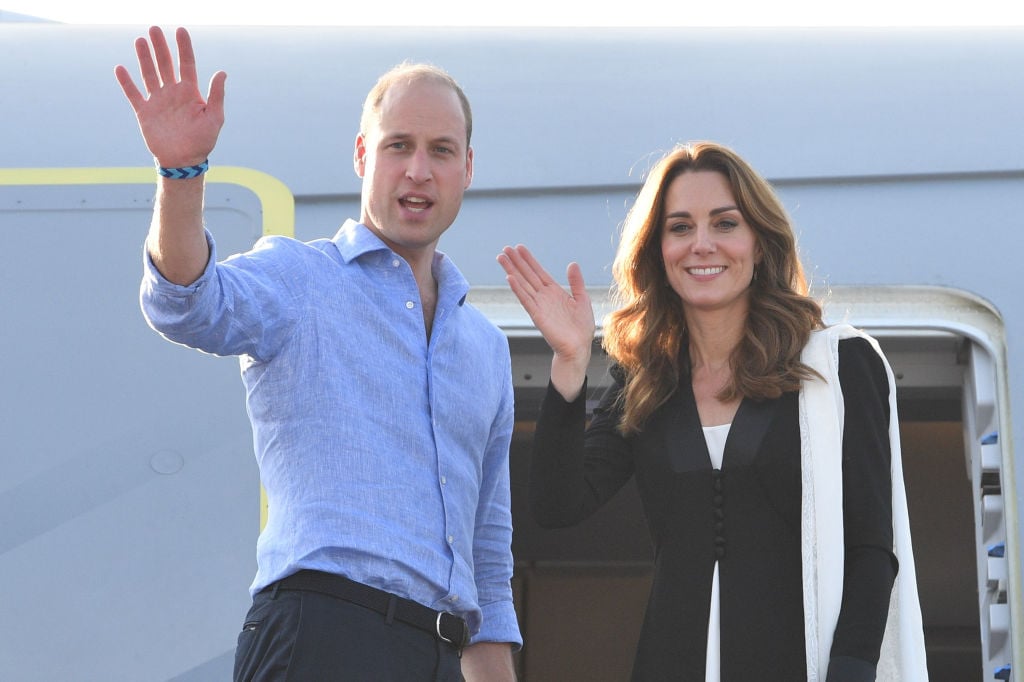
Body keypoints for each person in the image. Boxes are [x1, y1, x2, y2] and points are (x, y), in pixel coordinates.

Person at [115, 26, 520, 681]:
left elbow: (488, 558)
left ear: (467, 168)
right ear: (363, 156)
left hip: (443, 655)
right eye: (398, 147)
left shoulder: (485, 348)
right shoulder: (301, 278)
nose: (419, 170)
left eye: (441, 150)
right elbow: (186, 302)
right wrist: (182, 174)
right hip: (323, 635)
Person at [497, 142, 928, 681]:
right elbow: (557, 505)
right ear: (657, 251)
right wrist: (569, 360)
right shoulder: (646, 381)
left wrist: (848, 671)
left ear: (759, 242)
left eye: (724, 224)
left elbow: (871, 549)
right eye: (680, 228)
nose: (702, 245)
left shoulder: (839, 366)